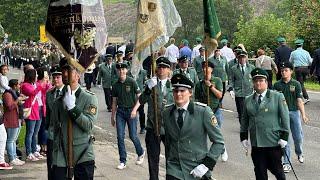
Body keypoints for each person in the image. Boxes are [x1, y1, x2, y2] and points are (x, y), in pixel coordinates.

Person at [163, 73, 225, 180]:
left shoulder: (203, 112)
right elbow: (168, 142)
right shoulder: (167, 112)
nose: (178, 94)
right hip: (175, 168)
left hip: (197, 167)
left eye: (182, 91)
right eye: (176, 91)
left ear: (190, 93)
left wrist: (206, 165)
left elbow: (219, 142)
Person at [240, 68, 290, 180]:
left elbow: (285, 118)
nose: (258, 83)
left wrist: (285, 136)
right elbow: (244, 120)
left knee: (277, 171)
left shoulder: (277, 97)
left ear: (266, 82)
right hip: (257, 143)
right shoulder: (248, 100)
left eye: (261, 80)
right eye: (255, 81)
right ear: (253, 83)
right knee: (259, 172)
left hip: (273, 141)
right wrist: (243, 136)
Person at [51, 64, 98, 180]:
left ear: (78, 75)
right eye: (64, 71)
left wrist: (73, 108)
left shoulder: (89, 98)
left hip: (82, 153)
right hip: (61, 154)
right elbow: (55, 127)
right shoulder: (58, 101)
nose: (65, 74)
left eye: (69, 71)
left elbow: (88, 125)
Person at [131, 57, 173, 179]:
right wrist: (148, 89)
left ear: (169, 70)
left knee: (171, 158)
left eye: (164, 67)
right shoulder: (151, 83)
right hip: (153, 125)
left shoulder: (173, 85)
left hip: (169, 127)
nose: (161, 70)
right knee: (153, 159)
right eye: (159, 67)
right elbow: (142, 100)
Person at [273, 62, 309, 173]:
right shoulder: (277, 85)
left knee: (298, 138)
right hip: (281, 115)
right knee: (285, 139)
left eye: (286, 70)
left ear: (291, 71)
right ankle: (286, 162)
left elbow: (299, 100)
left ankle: (299, 153)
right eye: (282, 70)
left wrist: (303, 114)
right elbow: (274, 102)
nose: (284, 72)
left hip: (294, 113)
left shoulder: (296, 84)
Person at [111, 62, 145, 170]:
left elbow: (140, 98)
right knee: (120, 136)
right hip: (120, 112)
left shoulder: (132, 82)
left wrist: (135, 110)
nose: (121, 71)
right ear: (117, 71)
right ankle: (122, 160)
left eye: (123, 69)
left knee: (133, 135)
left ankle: (140, 152)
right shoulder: (115, 85)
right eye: (119, 70)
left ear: (126, 70)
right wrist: (112, 116)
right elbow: (114, 102)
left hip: (131, 111)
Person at [194, 61, 228, 162]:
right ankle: (202, 154)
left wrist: (210, 86)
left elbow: (219, 95)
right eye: (204, 67)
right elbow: (197, 99)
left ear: (212, 70)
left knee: (216, 132)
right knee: (202, 133)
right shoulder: (199, 84)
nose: (205, 69)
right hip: (203, 112)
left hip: (215, 110)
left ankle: (222, 149)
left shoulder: (217, 80)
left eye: (208, 67)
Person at [20, 69, 45, 161]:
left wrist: (44, 82)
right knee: (30, 133)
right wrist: (40, 85)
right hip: (30, 111)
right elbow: (32, 93)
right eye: (36, 75)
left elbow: (44, 89)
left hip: (37, 110)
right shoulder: (25, 85)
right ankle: (29, 152)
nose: (37, 77)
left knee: (35, 133)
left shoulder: (34, 84)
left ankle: (34, 150)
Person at [45, 65, 64, 180]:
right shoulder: (49, 93)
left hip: (64, 132)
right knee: (51, 161)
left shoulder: (68, 92)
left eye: (58, 77)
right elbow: (48, 112)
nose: (56, 80)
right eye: (54, 77)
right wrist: (47, 127)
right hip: (52, 132)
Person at [2, 79, 25, 166]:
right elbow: (9, 107)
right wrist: (17, 101)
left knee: (13, 140)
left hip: (15, 118)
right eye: (18, 85)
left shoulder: (13, 93)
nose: (19, 86)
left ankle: (14, 157)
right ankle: (12, 158)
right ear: (14, 86)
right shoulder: (8, 94)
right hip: (10, 119)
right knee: (10, 140)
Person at [228, 50, 255, 124]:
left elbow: (255, 79)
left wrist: (255, 89)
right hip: (239, 92)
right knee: (241, 111)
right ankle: (243, 126)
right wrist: (231, 89)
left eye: (244, 57)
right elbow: (231, 80)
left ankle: (250, 125)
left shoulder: (251, 68)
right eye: (240, 58)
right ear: (238, 58)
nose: (242, 59)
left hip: (250, 92)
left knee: (250, 110)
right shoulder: (234, 68)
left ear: (246, 58)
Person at [289, 39, 312, 103]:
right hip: (306, 69)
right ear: (302, 45)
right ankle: (300, 95)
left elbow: (290, 61)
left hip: (298, 69)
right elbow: (310, 62)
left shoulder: (293, 53)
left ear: (296, 45)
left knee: (300, 84)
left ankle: (306, 97)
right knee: (301, 83)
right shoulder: (306, 52)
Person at [36, 67, 52, 156]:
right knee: (40, 129)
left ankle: (44, 146)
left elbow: (50, 89)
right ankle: (41, 146)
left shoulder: (46, 83)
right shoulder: (38, 83)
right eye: (45, 74)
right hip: (39, 108)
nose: (46, 76)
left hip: (45, 108)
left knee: (44, 129)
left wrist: (48, 82)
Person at [135, 68, 148, 134]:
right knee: (133, 113)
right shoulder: (130, 72)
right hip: (132, 96)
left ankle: (142, 127)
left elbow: (145, 83)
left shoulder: (143, 72)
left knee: (141, 112)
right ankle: (133, 129)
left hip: (140, 96)